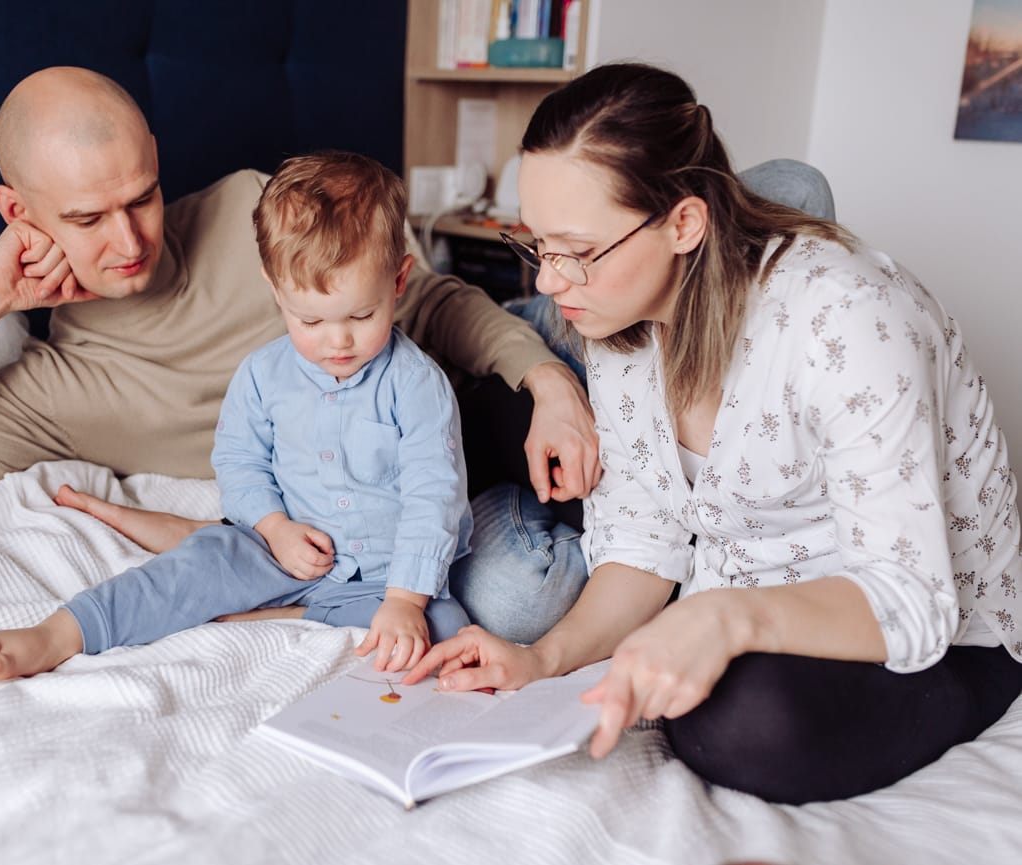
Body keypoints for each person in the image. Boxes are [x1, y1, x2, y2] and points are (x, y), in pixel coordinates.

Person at [404, 62, 1022, 806]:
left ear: (683, 223)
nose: (547, 281)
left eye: (576, 249)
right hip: (751, 594)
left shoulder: (849, 317)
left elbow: (912, 600)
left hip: (937, 631)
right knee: (675, 689)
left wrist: (721, 616)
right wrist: (542, 658)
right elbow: (644, 539)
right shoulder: (614, 318)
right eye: (537, 246)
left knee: (737, 722)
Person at [0, 66, 596, 532]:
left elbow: (430, 304)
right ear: (18, 214)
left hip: (486, 372)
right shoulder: (52, 391)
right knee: (517, 592)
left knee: (627, 316)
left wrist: (547, 381)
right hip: (438, 488)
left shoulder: (247, 208)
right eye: (86, 218)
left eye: (142, 196)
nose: (130, 241)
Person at [0, 151, 471, 679]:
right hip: (275, 549)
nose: (337, 341)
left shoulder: (417, 385)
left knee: (447, 627)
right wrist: (274, 528)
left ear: (398, 280)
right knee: (194, 568)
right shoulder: (261, 375)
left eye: (362, 315)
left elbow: (433, 495)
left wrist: (405, 601)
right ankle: (60, 633)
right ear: (275, 292)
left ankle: (290, 615)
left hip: (386, 572)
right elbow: (239, 462)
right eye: (310, 320)